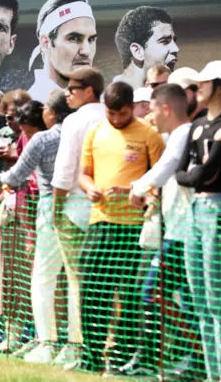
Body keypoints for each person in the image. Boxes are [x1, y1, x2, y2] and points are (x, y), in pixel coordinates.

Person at [78, 81, 165, 373]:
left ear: (132, 108)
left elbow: (162, 179)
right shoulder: (95, 132)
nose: (116, 119)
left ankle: (125, 355)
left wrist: (135, 190)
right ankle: (91, 354)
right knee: (92, 290)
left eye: (122, 114)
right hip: (100, 222)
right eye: (111, 113)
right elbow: (83, 175)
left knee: (129, 293)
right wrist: (89, 188)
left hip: (133, 228)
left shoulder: (149, 135)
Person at [122, 84, 202, 378]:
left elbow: (167, 167)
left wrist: (139, 187)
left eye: (152, 108)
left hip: (183, 234)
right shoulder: (177, 135)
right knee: (190, 300)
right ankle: (196, 356)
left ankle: (200, 354)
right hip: (179, 232)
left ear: (165, 108)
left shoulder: (184, 133)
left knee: (153, 293)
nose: (150, 115)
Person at [0, 90, 74, 365]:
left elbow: (16, 176)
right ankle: (71, 344)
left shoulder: (45, 137)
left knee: (43, 279)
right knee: (72, 281)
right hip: (79, 208)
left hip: (50, 208)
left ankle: (47, 342)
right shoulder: (80, 132)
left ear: (50, 113)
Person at [175, 60, 221, 382]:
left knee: (219, 297)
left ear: (220, 86)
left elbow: (203, 173)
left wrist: (196, 175)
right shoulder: (197, 126)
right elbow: (185, 173)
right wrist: (195, 176)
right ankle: (214, 375)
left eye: (204, 81)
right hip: (195, 211)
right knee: (199, 299)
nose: (198, 87)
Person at [50, 67, 106, 368]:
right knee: (107, 284)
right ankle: (107, 346)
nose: (66, 93)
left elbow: (64, 172)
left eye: (72, 88)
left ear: (89, 91)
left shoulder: (75, 120)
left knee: (77, 282)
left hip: (74, 207)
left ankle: (78, 345)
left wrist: (56, 210)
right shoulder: (112, 115)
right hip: (108, 211)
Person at [0, 100, 44, 355]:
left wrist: (2, 180)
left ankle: (39, 336)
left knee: (38, 281)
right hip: (14, 215)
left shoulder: (45, 139)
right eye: (8, 117)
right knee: (9, 278)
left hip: (38, 219)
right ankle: (12, 336)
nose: (11, 123)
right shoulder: (21, 139)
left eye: (16, 118)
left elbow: (23, 176)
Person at [27, 0, 97, 103]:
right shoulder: (32, 109)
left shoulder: (99, 106)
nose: (86, 51)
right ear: (46, 43)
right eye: (74, 38)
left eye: (91, 39)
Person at [114, 6, 179, 88]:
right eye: (164, 41)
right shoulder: (114, 98)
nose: (176, 49)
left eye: (174, 41)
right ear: (137, 51)